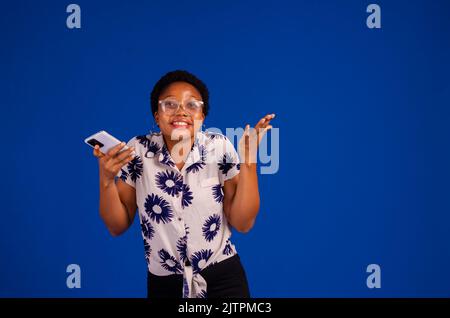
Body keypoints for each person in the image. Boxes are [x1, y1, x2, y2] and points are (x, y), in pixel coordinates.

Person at [93, 70, 275, 298]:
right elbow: (116, 225)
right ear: (156, 116)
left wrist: (248, 161)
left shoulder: (218, 147)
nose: (181, 111)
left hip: (223, 279)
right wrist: (107, 180)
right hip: (165, 285)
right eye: (169, 104)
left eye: (192, 105)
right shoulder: (138, 150)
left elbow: (243, 223)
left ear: (202, 116)